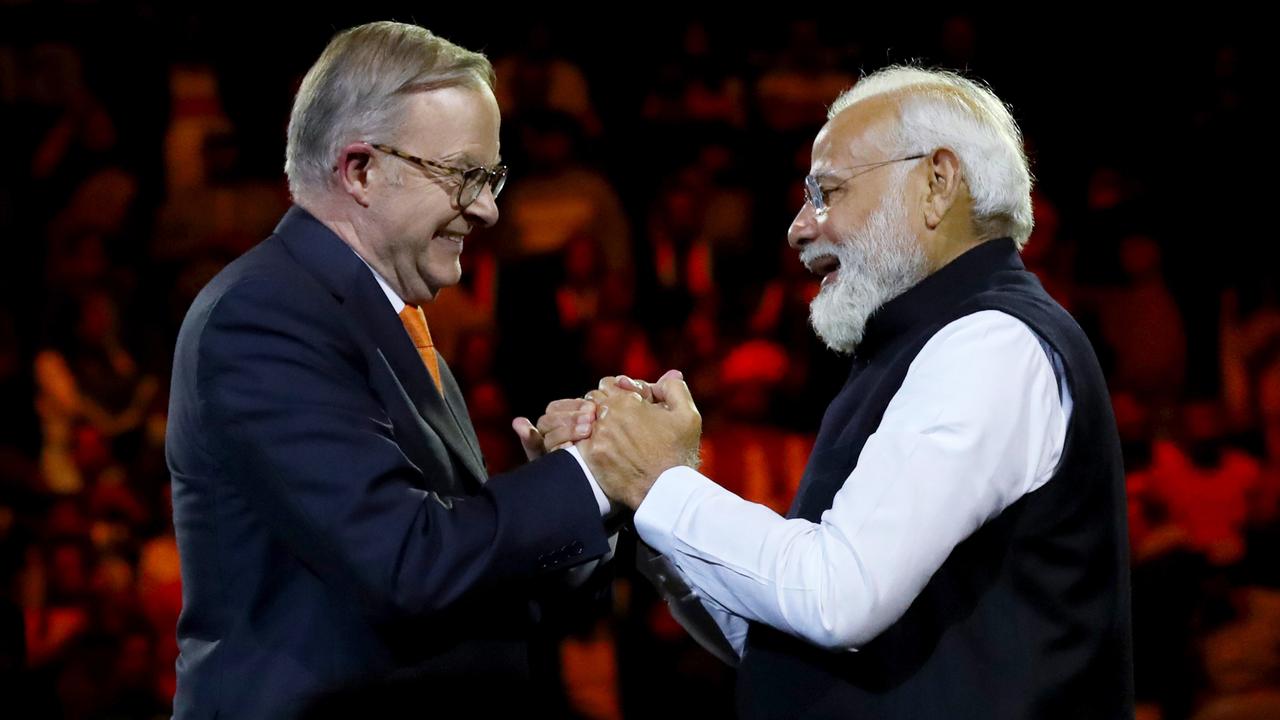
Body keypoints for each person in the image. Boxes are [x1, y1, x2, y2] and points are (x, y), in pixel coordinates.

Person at [566, 66, 1134, 719]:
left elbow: (838, 596)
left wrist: (659, 480)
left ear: (937, 182)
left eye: (827, 191)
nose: (800, 227)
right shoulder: (915, 346)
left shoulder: (991, 345)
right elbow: (787, 639)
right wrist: (642, 505)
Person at [166, 21, 613, 719]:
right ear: (360, 171)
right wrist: (587, 476)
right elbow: (410, 563)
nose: (489, 208)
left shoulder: (391, 317)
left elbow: (464, 569)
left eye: (492, 177)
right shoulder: (264, 317)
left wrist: (573, 487)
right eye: (464, 175)